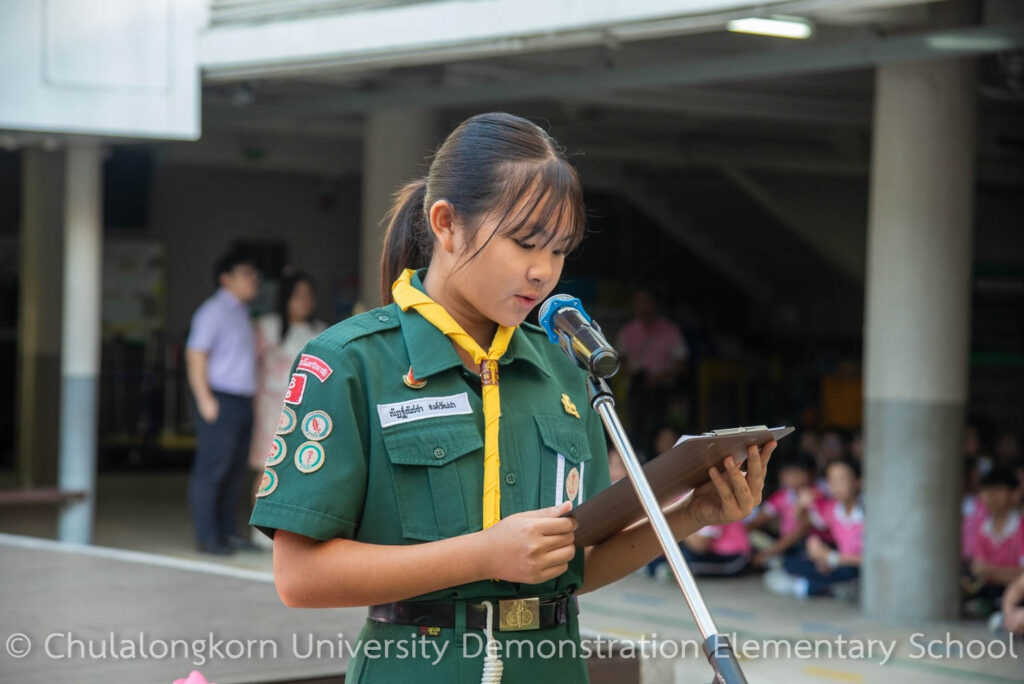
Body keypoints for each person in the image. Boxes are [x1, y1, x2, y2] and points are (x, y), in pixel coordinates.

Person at [248, 112, 775, 682]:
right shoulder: (351, 362)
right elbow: (299, 576)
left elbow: (578, 563)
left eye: (559, 250)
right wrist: (483, 555)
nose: (543, 272)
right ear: (447, 225)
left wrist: (692, 513)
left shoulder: (564, 369)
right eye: (524, 243)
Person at [186, 250, 259, 556]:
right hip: (220, 399)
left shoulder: (242, 313)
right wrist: (205, 399)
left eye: (254, 274)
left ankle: (228, 533)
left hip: (242, 400)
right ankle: (207, 537)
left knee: (235, 471)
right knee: (213, 469)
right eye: (246, 274)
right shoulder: (213, 311)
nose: (253, 280)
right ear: (225, 278)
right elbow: (196, 354)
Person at [249, 273, 327, 514]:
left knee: (301, 468)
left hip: (307, 410)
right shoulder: (266, 327)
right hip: (270, 410)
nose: (304, 300)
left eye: (308, 295)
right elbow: (247, 366)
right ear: (285, 298)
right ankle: (260, 526)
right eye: (297, 295)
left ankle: (288, 527)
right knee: (267, 468)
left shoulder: (320, 331)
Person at [764, 458, 862, 599]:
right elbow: (808, 523)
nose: (836, 486)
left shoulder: (866, 512)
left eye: (841, 479)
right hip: (840, 563)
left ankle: (808, 587)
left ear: (858, 482)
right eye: (831, 481)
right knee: (792, 562)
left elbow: (875, 559)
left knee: (847, 572)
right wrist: (800, 508)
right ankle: (830, 587)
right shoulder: (832, 509)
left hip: (859, 568)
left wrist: (833, 558)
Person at [617, 288, 688, 461]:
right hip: (636, 389)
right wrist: (634, 375)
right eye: (639, 302)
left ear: (656, 304)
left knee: (662, 433)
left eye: (646, 302)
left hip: (663, 390)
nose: (643, 307)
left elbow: (681, 363)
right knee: (635, 432)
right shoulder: (628, 331)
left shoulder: (670, 330)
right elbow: (620, 361)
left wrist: (659, 377)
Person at [963, 468, 1024, 614]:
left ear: (1014, 493)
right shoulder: (982, 530)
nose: (991, 495)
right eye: (986, 490)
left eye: (998, 489)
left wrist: (991, 571)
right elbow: (978, 571)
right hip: (991, 594)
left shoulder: (1021, 528)